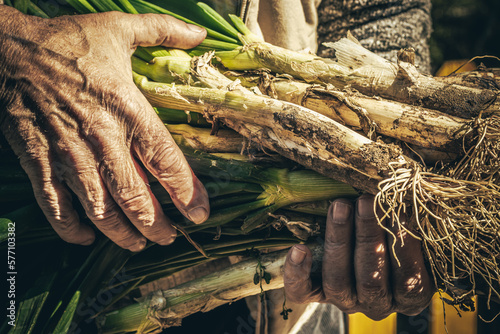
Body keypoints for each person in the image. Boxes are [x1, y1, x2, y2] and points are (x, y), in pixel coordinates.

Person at [0, 1, 433, 328]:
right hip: (56, 245)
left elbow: (379, 9)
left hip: (296, 294)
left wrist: (397, 131)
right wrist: (13, 46)